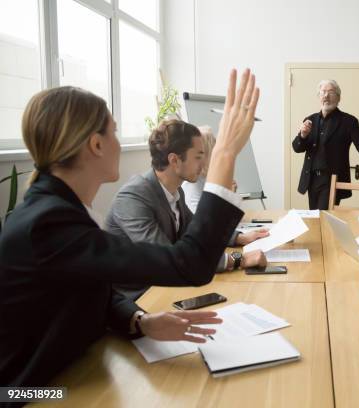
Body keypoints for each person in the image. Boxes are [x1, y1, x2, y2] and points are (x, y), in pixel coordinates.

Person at [0, 69, 259, 388]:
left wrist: (141, 320)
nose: (119, 144)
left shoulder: (56, 209)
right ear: (96, 144)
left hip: (78, 373)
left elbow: (90, 288)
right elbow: (190, 263)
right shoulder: (47, 222)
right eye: (115, 133)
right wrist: (225, 153)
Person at [105, 120, 268, 300]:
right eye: (198, 156)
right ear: (174, 160)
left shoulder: (176, 191)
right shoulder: (133, 198)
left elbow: (195, 230)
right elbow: (168, 259)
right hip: (139, 299)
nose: (204, 162)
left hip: (166, 286)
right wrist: (238, 260)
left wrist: (238, 238)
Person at [292, 79, 359, 210]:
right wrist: (303, 135)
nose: (326, 95)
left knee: (323, 217)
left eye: (331, 92)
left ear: (338, 97)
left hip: (332, 180)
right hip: (311, 180)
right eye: (323, 92)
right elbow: (297, 148)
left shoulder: (348, 121)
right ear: (319, 97)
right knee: (316, 217)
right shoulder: (310, 120)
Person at [182, 125, 239, 212]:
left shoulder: (209, 178)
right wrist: (227, 197)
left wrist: (229, 195)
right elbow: (202, 221)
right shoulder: (192, 182)